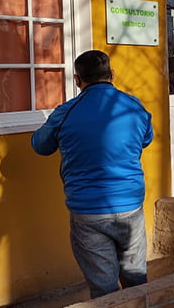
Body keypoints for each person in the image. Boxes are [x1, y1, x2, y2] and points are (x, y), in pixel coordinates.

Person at [31, 50, 154, 298]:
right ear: (112, 74)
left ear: (78, 80)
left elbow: (40, 146)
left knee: (103, 288)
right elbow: (145, 139)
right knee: (137, 280)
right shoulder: (134, 106)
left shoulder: (65, 112)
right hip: (130, 205)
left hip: (88, 211)